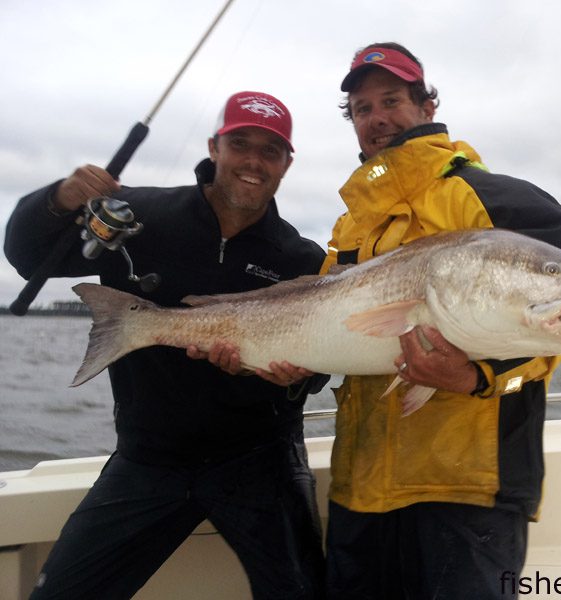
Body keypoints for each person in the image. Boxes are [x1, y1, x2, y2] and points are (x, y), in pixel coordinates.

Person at [4, 91, 326, 599]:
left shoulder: (300, 255)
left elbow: (317, 365)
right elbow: (27, 256)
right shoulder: (139, 215)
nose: (253, 161)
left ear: (287, 163)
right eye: (240, 143)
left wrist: (296, 378)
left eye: (270, 150)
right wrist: (57, 198)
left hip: (261, 462)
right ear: (214, 147)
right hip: (148, 458)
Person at [322, 43, 561, 599]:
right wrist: (279, 366)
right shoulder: (351, 225)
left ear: (426, 105)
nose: (377, 118)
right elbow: (322, 329)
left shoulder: (499, 204)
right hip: (361, 487)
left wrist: (476, 377)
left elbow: (550, 339)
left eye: (391, 99)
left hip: (466, 490)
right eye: (362, 109)